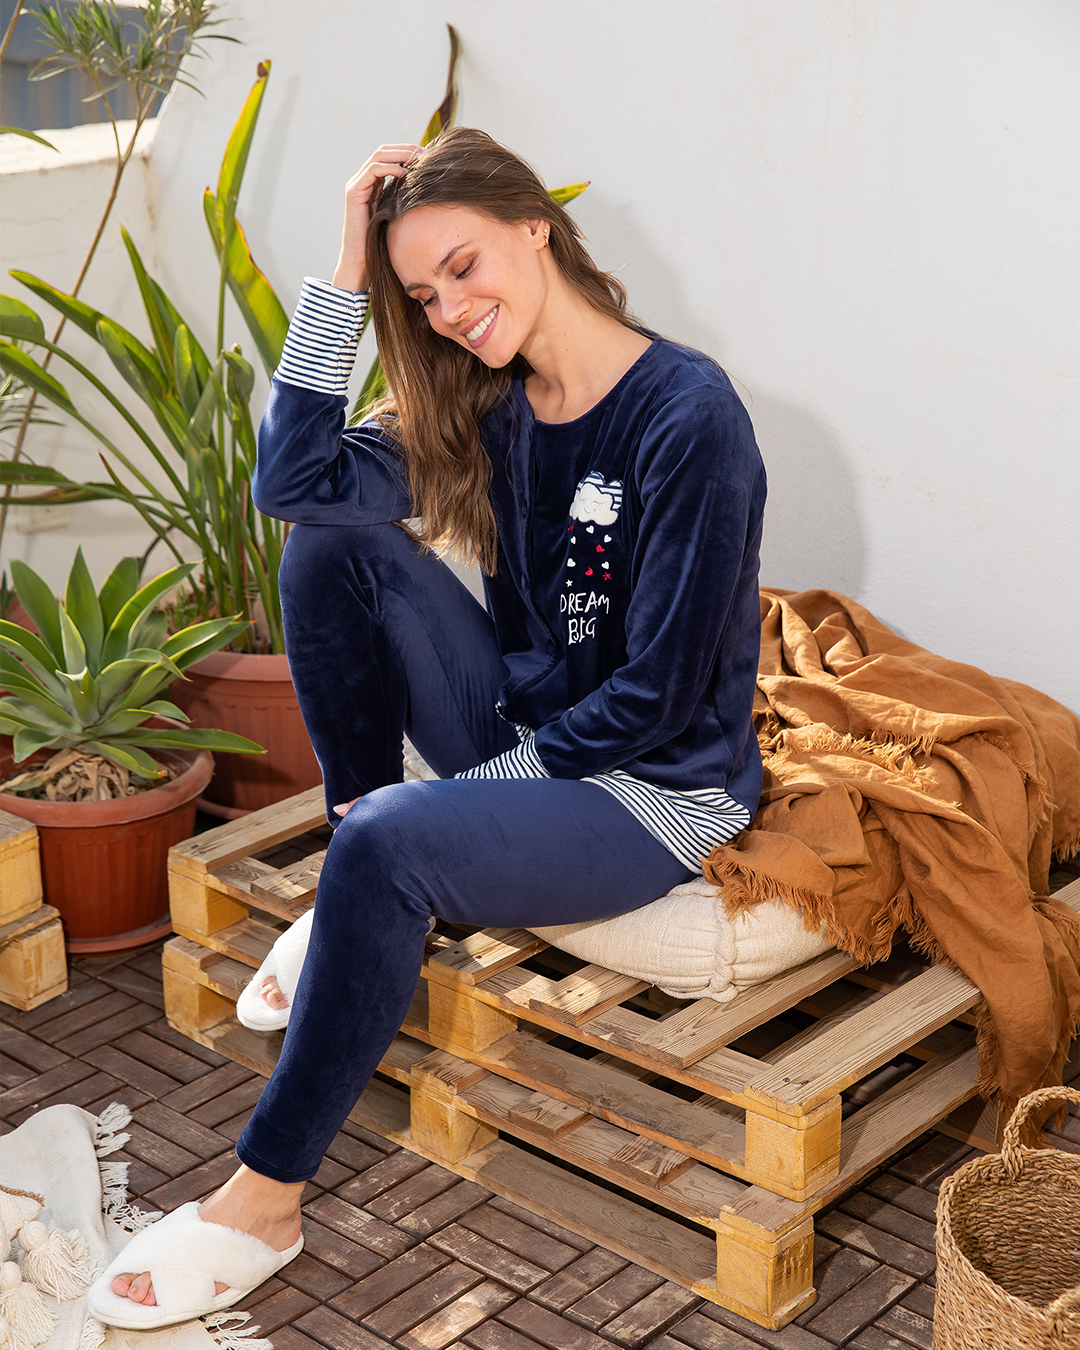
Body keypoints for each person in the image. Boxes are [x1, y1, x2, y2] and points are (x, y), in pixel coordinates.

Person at [89, 127, 767, 1328]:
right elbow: (294, 485)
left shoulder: (688, 415)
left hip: (652, 786)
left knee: (400, 843)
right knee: (328, 550)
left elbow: (659, 694)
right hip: (530, 730)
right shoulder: (496, 409)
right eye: (420, 292)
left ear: (533, 227)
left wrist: (473, 788)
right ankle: (360, 851)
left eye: (464, 266)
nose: (450, 308)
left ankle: (266, 1196)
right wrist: (345, 274)